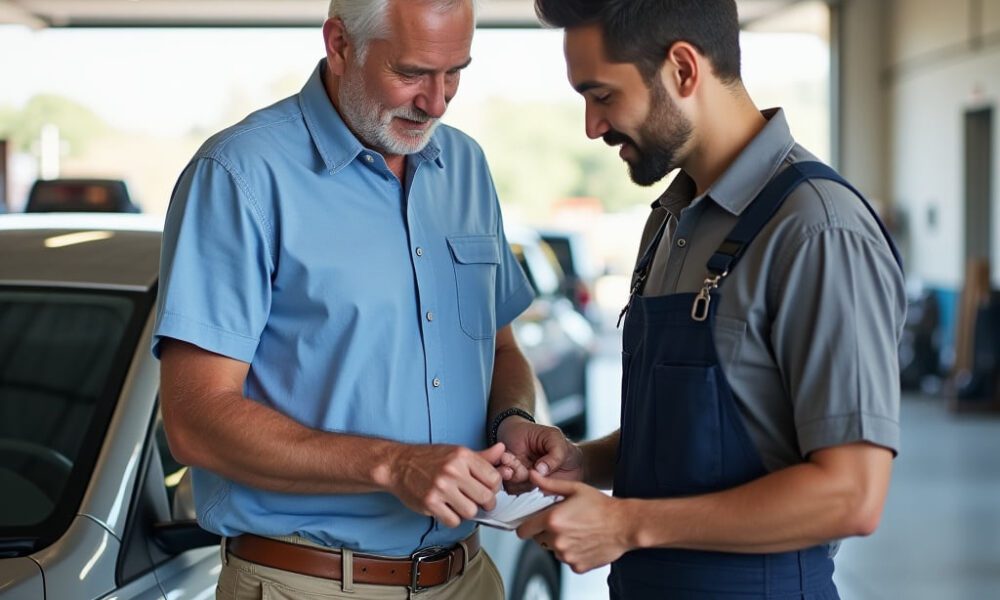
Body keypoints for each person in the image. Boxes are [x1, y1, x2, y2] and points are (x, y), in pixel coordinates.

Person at [154, 1, 573, 598]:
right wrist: (393, 464)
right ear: (339, 44)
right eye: (411, 72)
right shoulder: (240, 173)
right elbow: (195, 422)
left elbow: (502, 349)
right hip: (308, 583)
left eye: (455, 72)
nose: (436, 101)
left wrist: (511, 421)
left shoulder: (467, 168)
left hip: (468, 576)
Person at [517, 1, 907, 598]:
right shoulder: (671, 221)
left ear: (682, 69)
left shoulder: (816, 230)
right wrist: (582, 461)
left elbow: (851, 495)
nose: (592, 126)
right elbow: (698, 439)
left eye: (601, 95)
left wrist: (627, 524)